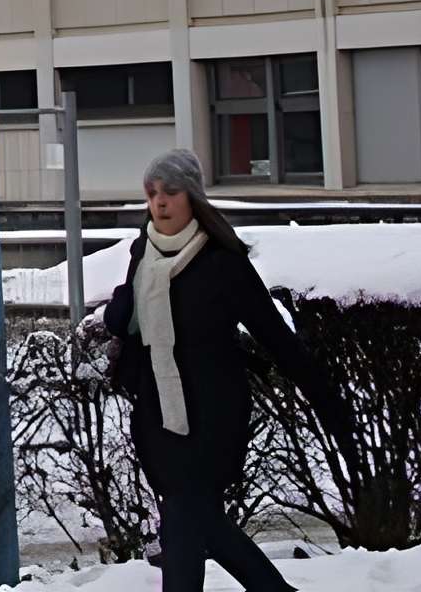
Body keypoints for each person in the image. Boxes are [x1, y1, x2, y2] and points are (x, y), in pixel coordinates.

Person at [100, 146, 348, 592]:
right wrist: (128, 295)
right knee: (196, 524)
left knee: (183, 517)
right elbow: (122, 322)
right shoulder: (145, 252)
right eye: (152, 192)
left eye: (170, 192)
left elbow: (276, 337)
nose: (159, 202)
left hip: (213, 413)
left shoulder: (223, 262)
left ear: (192, 196)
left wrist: (330, 406)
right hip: (159, 414)